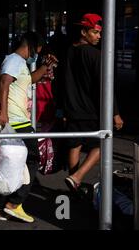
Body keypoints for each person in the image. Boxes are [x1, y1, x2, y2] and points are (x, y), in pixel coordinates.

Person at [0, 31, 58, 223]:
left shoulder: (20, 63)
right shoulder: (14, 60)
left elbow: (30, 80)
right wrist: (3, 112)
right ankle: (14, 203)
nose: (38, 52)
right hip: (15, 119)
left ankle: (2, 208)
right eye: (38, 48)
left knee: (10, 162)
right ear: (30, 44)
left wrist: (46, 65)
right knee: (33, 158)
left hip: (16, 118)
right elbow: (4, 82)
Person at [63, 13, 123, 193]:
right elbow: (104, 86)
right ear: (84, 32)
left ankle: (74, 185)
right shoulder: (96, 54)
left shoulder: (69, 51)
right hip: (91, 110)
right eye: (95, 32)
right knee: (103, 144)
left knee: (75, 145)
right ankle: (77, 177)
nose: (99, 36)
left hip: (72, 109)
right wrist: (115, 113)